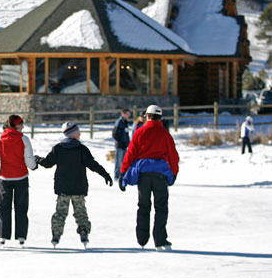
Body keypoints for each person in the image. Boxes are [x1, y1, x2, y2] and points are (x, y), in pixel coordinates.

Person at [36, 122, 113, 248]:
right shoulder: (82, 149)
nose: (80, 134)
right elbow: (93, 165)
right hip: (78, 187)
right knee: (80, 212)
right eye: (78, 132)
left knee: (60, 213)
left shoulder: (58, 148)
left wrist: (38, 159)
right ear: (72, 133)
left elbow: (47, 163)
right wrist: (105, 174)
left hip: (63, 188)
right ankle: (83, 231)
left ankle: (56, 233)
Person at [119, 104, 179, 251]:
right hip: (160, 176)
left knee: (143, 206)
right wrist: (174, 173)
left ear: (147, 116)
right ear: (160, 117)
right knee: (161, 207)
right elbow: (173, 156)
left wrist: (123, 173)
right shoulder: (165, 134)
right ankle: (160, 241)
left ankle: (142, 239)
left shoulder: (140, 132)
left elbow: (130, 153)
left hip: (143, 176)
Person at [0, 114, 40, 246]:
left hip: (5, 178)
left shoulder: (1, 140)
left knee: (4, 207)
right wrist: (34, 166)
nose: (23, 126)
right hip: (21, 177)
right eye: (21, 123)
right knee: (21, 207)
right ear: (15, 125)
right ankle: (21, 235)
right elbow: (28, 158)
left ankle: (2, 236)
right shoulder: (24, 139)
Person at [112, 108, 131, 179]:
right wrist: (121, 142)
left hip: (124, 145)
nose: (128, 116)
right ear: (123, 114)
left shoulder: (125, 122)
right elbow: (115, 134)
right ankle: (117, 176)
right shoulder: (119, 122)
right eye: (127, 114)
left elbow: (126, 134)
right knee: (118, 162)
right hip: (119, 145)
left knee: (124, 162)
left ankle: (122, 175)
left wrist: (127, 143)